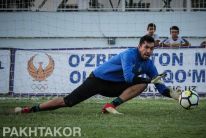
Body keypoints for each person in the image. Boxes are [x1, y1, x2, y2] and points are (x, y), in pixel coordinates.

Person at [15, 35, 181, 115]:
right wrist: (150, 80)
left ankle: (110, 106)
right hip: (97, 80)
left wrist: (174, 95)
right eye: (146, 47)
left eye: (152, 49)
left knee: (143, 84)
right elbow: (129, 78)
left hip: (116, 86)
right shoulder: (129, 55)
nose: (149, 51)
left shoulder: (149, 64)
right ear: (139, 46)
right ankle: (30, 109)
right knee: (67, 102)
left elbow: (159, 86)